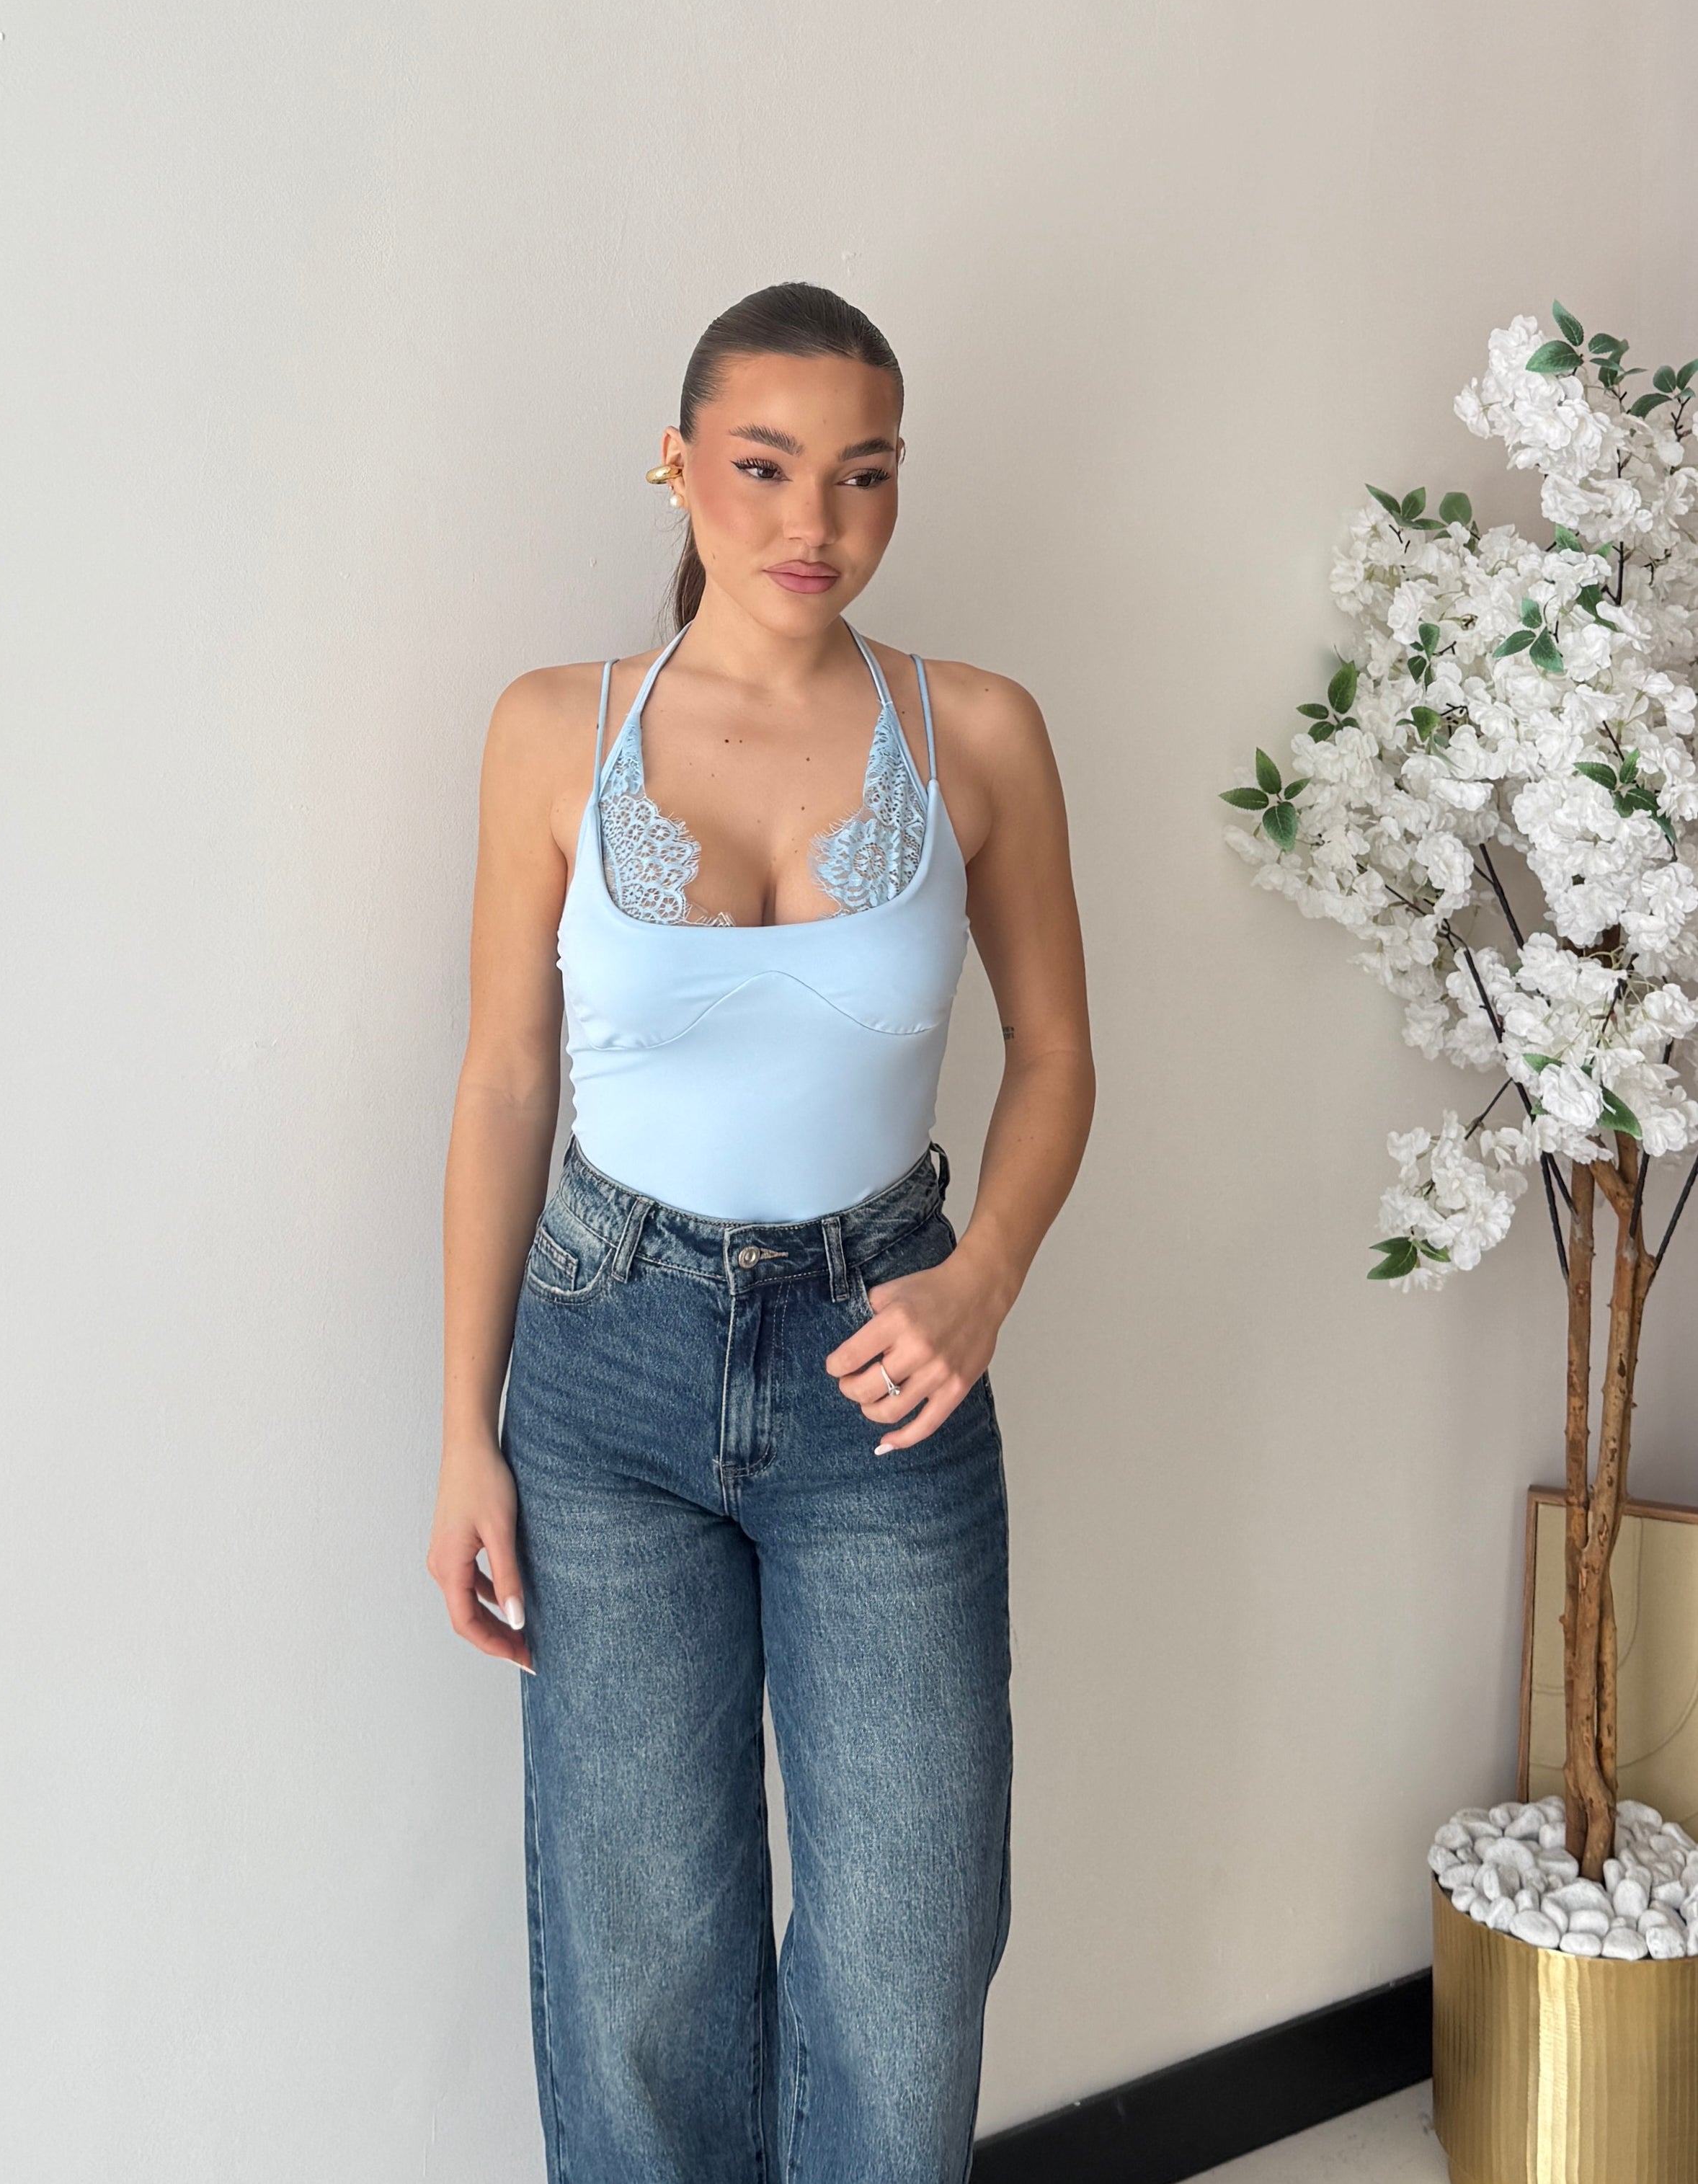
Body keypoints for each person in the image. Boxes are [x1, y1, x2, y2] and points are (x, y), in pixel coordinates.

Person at [428, 282, 1093, 2184]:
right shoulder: (555, 730)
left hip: (886, 1369)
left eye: (863, 474)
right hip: (606, 1366)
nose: (817, 520)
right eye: (767, 467)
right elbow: (504, 1084)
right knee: (642, 1952)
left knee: (909, 1948)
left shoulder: (977, 730)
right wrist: (465, 1432)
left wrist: (980, 1281)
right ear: (677, 465)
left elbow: (1056, 1056)